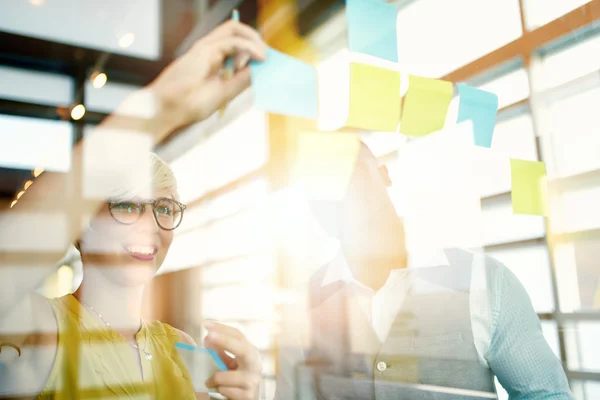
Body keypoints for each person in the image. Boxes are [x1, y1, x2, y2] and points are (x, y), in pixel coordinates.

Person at [0, 19, 267, 400]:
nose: (150, 226)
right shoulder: (41, 330)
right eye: (126, 205)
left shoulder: (180, 348)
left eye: (164, 207)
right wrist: (159, 107)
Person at [275, 142, 574, 399]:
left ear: (383, 175)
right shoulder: (299, 311)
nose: (342, 195)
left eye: (352, 175)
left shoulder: (487, 281)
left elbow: (546, 395)